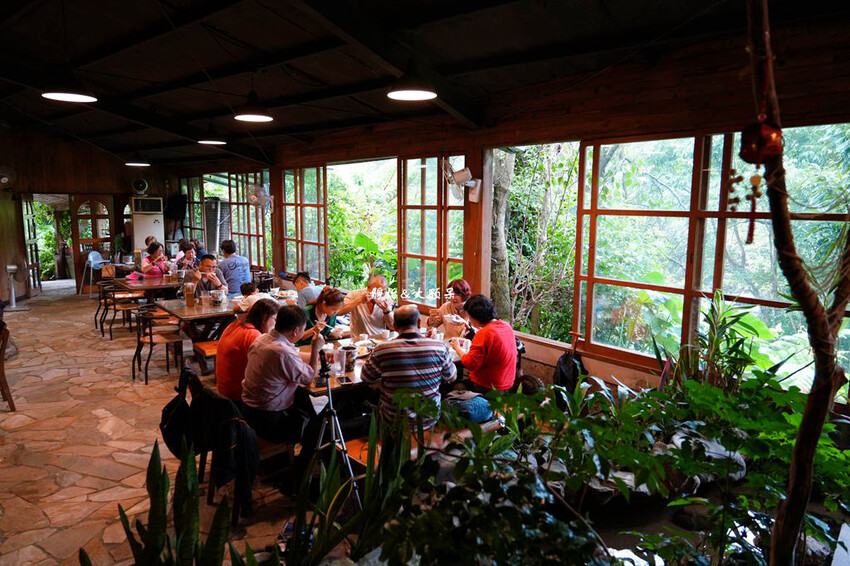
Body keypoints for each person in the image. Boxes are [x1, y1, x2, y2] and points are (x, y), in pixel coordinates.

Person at [241, 305, 324, 474]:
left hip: (248, 412)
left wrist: (319, 356)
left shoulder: (262, 339)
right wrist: (316, 350)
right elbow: (308, 378)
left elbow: (292, 356)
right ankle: (301, 470)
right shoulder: (282, 352)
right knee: (319, 424)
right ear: (296, 331)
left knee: (307, 400)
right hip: (269, 422)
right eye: (303, 329)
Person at [361, 305, 456, 430]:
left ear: (394, 326)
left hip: (395, 420)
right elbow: (452, 377)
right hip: (429, 418)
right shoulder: (439, 347)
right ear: (419, 323)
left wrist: (384, 380)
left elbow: (365, 377)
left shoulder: (382, 349)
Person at [216, 299, 279, 402]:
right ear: (264, 317)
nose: (275, 324)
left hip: (224, 392)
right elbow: (271, 365)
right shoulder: (253, 335)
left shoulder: (234, 325)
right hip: (238, 396)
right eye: (275, 319)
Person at [451, 295, 517, 393]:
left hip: (489, 387)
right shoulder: (506, 326)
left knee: (454, 388)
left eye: (469, 317)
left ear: (475, 317)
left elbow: (470, 364)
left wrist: (457, 348)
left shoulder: (484, 333)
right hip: (508, 384)